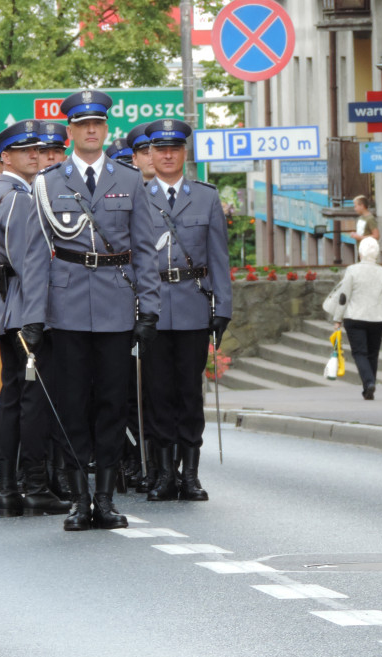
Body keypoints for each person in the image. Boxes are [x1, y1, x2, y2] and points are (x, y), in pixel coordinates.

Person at [24, 88, 160, 532]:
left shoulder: (129, 180)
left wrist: (149, 310)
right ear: (70, 132)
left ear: (105, 130)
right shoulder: (47, 183)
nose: (90, 130)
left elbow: (144, 249)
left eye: (97, 124)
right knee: (71, 403)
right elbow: (33, 255)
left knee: (110, 404)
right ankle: (79, 499)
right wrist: (33, 315)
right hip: (64, 306)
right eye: (82, 124)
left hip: (116, 304)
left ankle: (105, 497)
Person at [0, 120, 70, 518]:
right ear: (5, 158)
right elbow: (30, 264)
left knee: (13, 398)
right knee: (29, 401)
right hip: (25, 308)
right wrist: (36, 318)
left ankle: (9, 489)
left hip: (6, 307)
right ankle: (33, 485)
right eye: (26, 151)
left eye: (38, 150)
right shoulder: (20, 198)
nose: (36, 155)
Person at [141, 118, 231, 502]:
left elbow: (218, 256)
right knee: (158, 394)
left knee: (189, 395)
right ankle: (164, 474)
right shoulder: (138, 196)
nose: (166, 155)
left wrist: (222, 305)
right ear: (151, 154)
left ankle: (190, 475)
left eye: (174, 148)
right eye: (159, 149)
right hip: (154, 306)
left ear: (184, 153)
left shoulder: (206, 197)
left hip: (194, 303)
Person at [330, 237, 382, 400]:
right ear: (377, 254)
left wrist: (337, 318)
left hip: (355, 318)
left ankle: (369, 382)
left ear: (360, 253)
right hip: (378, 319)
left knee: (359, 352)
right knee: (373, 353)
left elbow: (344, 296)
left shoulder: (352, 270)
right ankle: (368, 387)